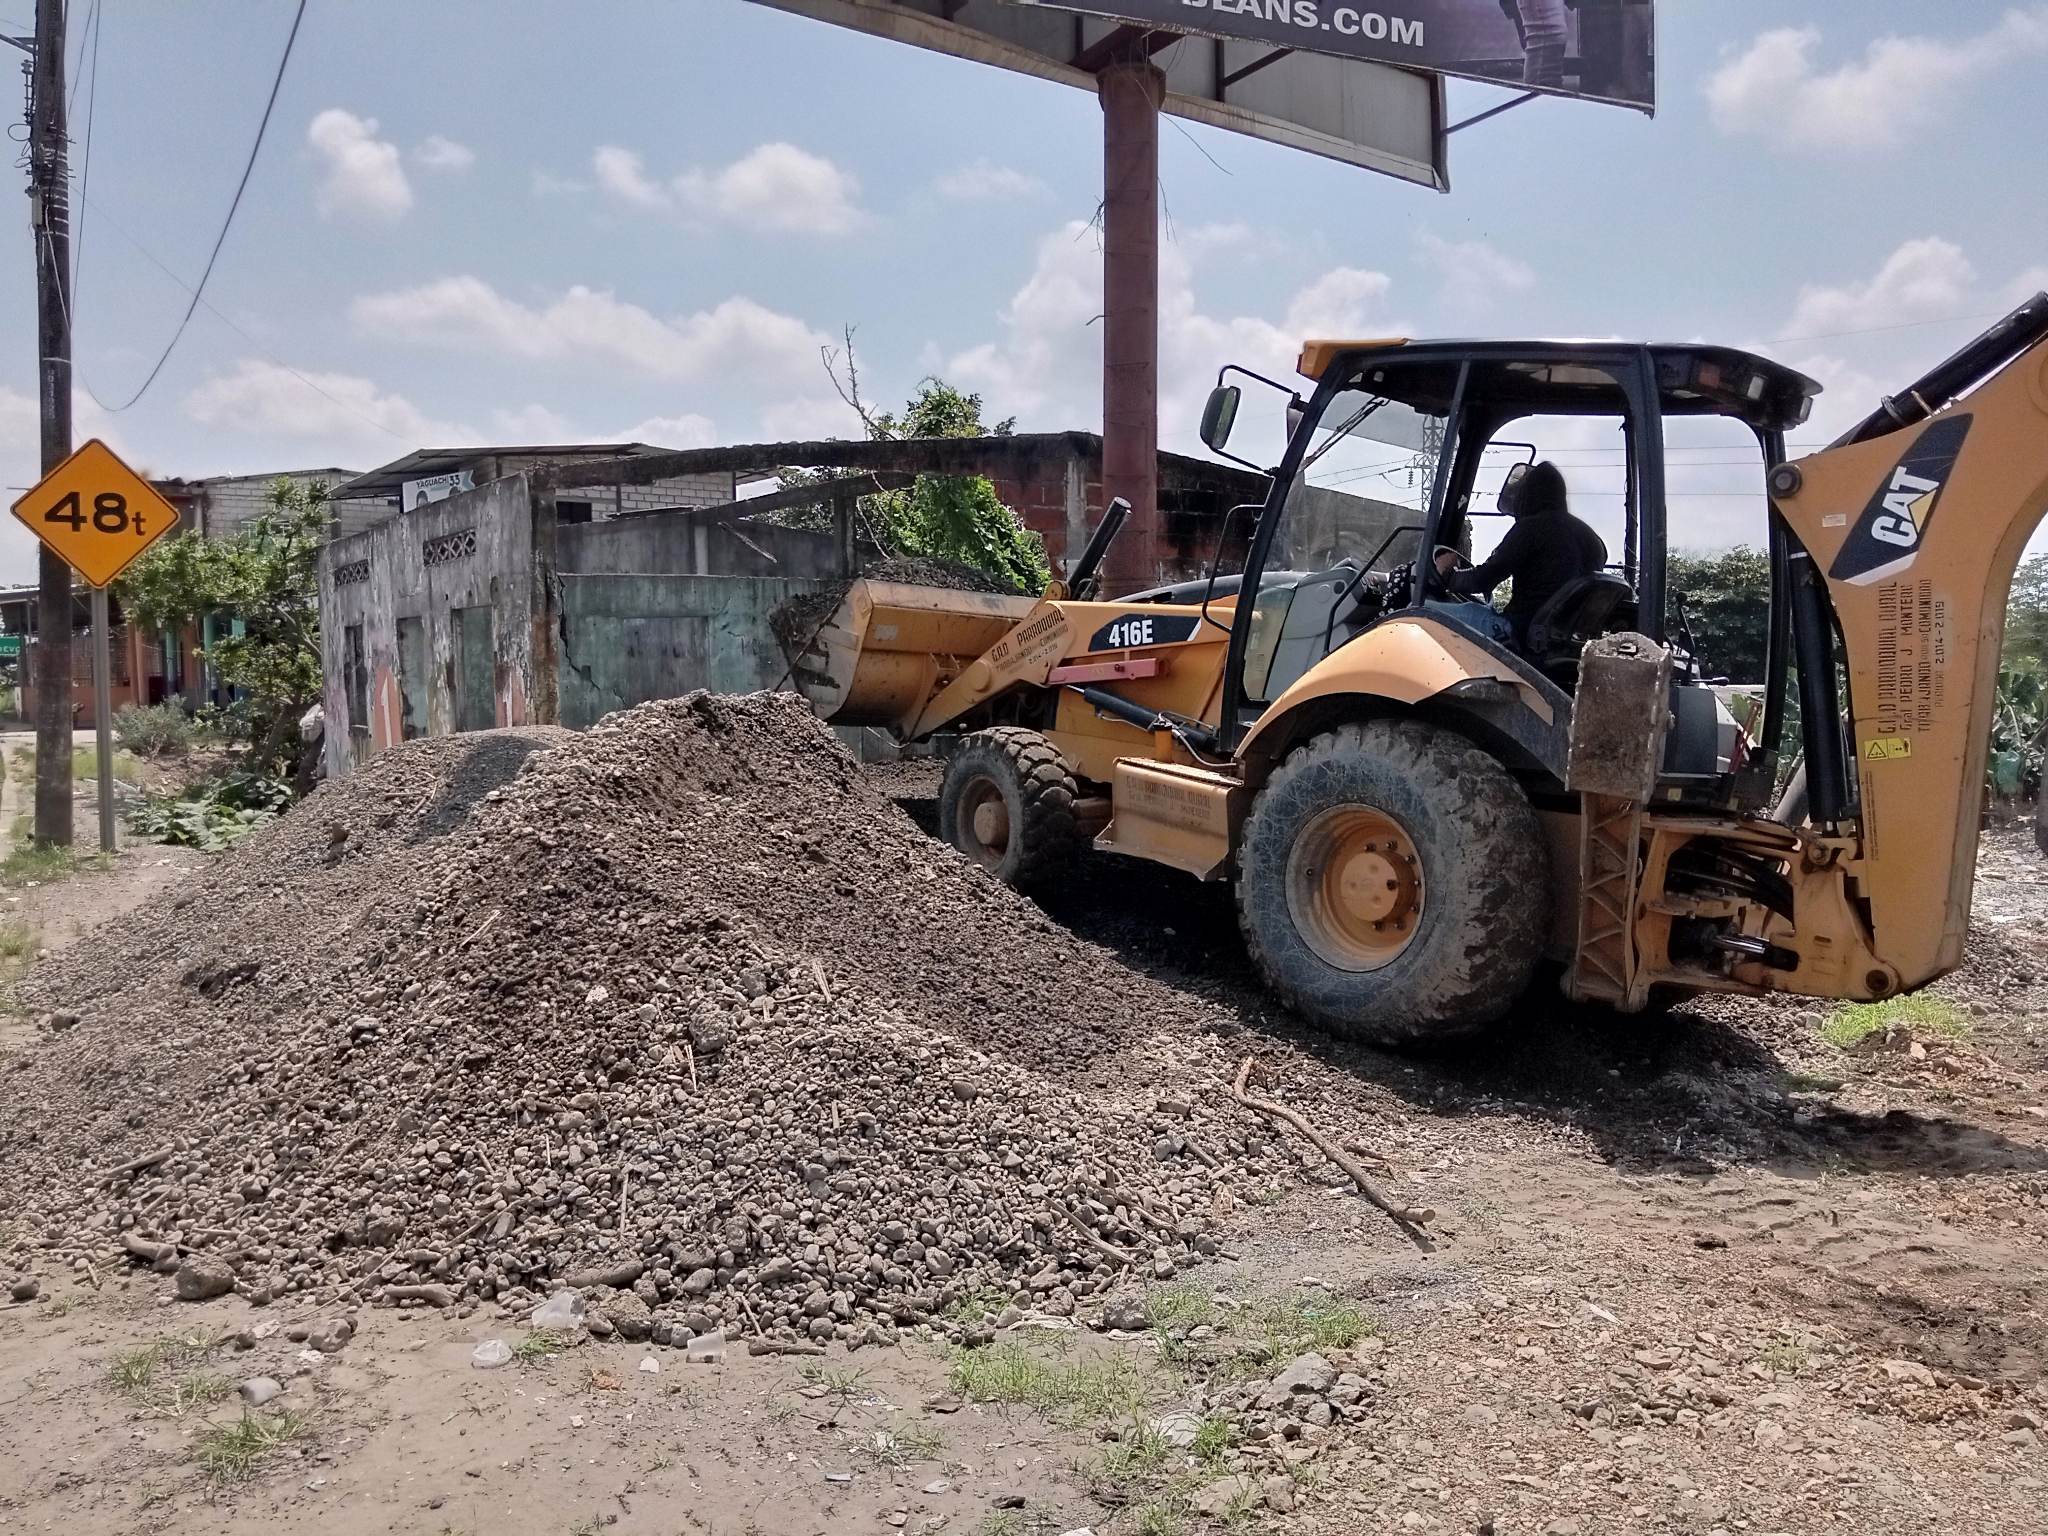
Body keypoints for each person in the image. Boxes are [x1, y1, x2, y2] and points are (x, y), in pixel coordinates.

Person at [1428, 460, 1607, 648]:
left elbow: (1483, 579)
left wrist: (1448, 574)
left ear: (1528, 495)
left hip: (1519, 633)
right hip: (1563, 646)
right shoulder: (1594, 541)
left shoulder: (1532, 528)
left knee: (1417, 611)